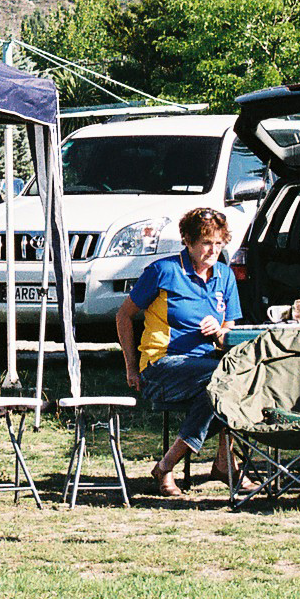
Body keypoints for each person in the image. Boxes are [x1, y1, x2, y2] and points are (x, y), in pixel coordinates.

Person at [114, 206, 241, 497]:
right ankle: (209, 463)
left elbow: (229, 329)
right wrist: (131, 367)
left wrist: (219, 330)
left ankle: (184, 464)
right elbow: (123, 316)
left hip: (205, 368)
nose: (213, 250)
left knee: (233, 380)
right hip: (161, 365)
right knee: (223, 378)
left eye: (218, 243)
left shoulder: (225, 275)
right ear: (188, 241)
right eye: (206, 243)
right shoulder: (163, 271)